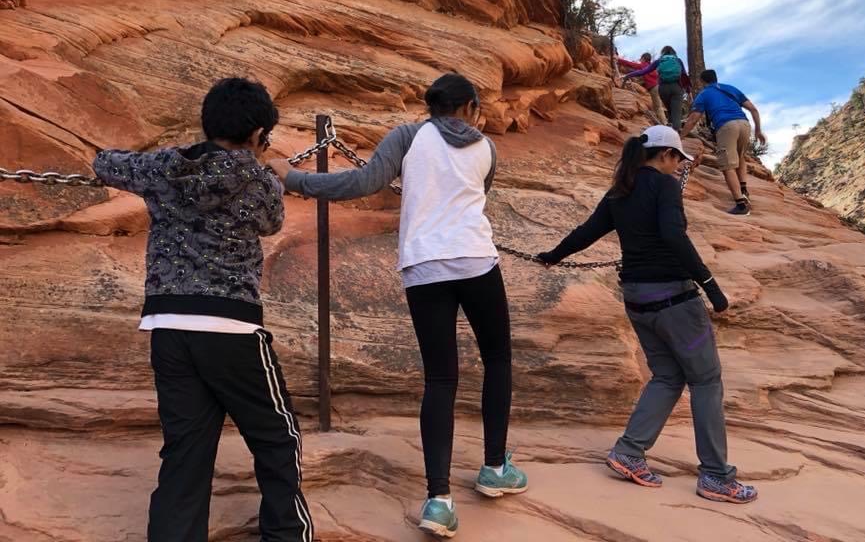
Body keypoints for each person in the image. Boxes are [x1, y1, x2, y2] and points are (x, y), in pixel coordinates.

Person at [268, 73, 527, 538]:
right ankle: (494, 467)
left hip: (425, 267)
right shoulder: (487, 149)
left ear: (432, 106)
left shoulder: (408, 136)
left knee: (441, 378)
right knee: (499, 360)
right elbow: (474, 197)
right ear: (468, 107)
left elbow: (364, 182)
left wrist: (294, 178)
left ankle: (439, 499)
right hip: (476, 261)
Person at [93, 78, 313, 542]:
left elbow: (106, 163)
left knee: (186, 449)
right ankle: (286, 535)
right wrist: (270, 169)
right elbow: (272, 222)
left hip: (168, 323)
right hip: (230, 324)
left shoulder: (165, 166)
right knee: (277, 437)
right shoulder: (254, 177)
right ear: (257, 134)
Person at [535, 125, 757, 505]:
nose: (677, 166)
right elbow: (674, 235)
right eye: (677, 159)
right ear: (667, 156)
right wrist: (711, 286)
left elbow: (587, 231)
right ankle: (716, 477)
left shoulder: (621, 190)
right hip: (674, 299)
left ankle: (629, 452)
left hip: (637, 299)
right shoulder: (664, 185)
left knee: (669, 375)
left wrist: (553, 256)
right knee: (705, 380)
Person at [681, 70, 766, 216]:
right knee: (740, 157)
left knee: (727, 166)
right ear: (716, 78)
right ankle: (744, 189)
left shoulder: (704, 94)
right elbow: (753, 109)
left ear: (702, 81)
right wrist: (758, 130)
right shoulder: (730, 88)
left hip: (726, 126)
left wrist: (681, 135)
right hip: (744, 124)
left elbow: (694, 118)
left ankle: (741, 205)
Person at [624, 46, 690, 131]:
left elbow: (643, 71)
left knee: (670, 111)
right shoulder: (678, 60)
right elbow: (684, 75)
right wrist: (688, 90)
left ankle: (669, 130)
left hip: (663, 88)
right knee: (676, 113)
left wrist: (628, 75)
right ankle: (675, 135)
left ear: (663, 52)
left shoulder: (659, 61)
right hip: (676, 88)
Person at [619, 52, 667, 124]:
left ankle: (664, 124)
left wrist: (619, 60)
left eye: (641, 59)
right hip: (658, 87)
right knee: (657, 106)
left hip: (653, 88)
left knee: (658, 107)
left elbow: (632, 65)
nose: (640, 60)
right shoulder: (652, 67)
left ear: (644, 59)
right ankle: (661, 123)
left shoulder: (644, 65)